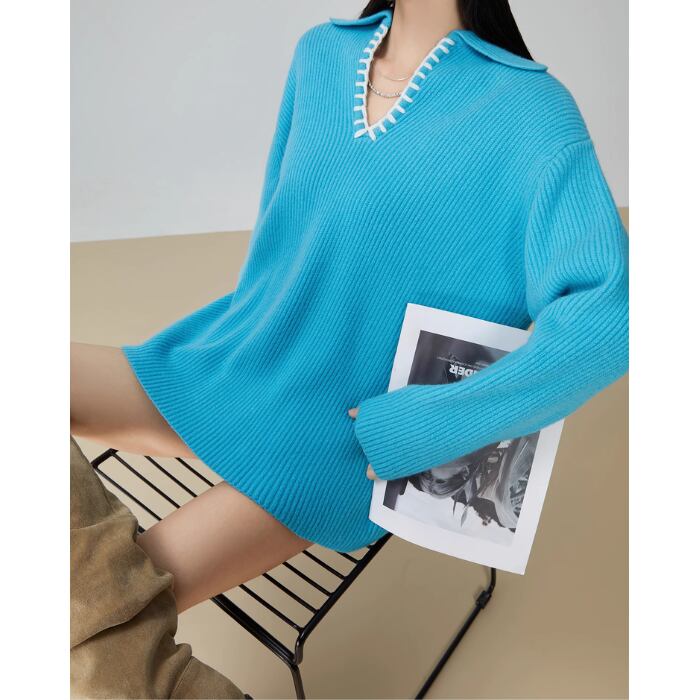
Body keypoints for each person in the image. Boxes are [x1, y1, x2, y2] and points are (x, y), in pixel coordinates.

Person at [71, 0, 629, 616]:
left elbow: (612, 318)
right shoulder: (322, 54)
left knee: (99, 609)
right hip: (238, 361)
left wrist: (435, 425)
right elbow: (278, 239)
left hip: (341, 443)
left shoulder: (533, 113)